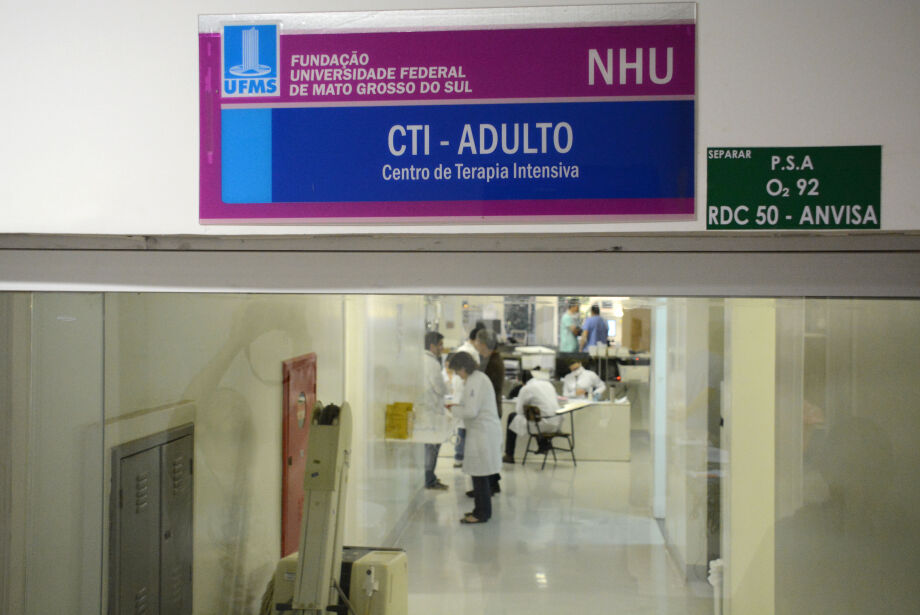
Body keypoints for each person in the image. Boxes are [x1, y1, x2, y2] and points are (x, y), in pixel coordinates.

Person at [448, 352, 502, 524]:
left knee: (480, 475)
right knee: (479, 474)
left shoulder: (475, 381)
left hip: (483, 433)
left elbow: (471, 411)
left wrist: (452, 409)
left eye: (457, 371)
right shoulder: (477, 379)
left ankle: (481, 513)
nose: (457, 375)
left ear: (463, 367)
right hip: (482, 432)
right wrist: (457, 407)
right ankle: (480, 510)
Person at [504, 370, 562, 463]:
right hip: (557, 423)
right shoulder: (548, 384)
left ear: (522, 382)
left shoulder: (526, 388)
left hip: (541, 424)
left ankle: (509, 455)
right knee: (535, 416)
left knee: (513, 417)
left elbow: (519, 410)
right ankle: (543, 444)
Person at [472, 328, 504, 495]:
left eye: (477, 342)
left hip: (488, 411)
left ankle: (487, 487)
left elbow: (483, 387)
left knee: (485, 451)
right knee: (488, 450)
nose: (475, 345)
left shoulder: (492, 363)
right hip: (490, 409)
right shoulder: (489, 359)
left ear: (483, 344)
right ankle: (492, 483)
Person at [420, 331, 449, 490]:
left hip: (425, 410)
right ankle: (429, 479)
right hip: (431, 412)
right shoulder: (432, 363)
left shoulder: (420, 360)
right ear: (432, 346)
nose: (442, 348)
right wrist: (447, 388)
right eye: (440, 345)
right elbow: (440, 388)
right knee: (432, 448)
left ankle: (428, 478)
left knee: (428, 447)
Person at [451, 325, 483, 468]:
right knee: (465, 428)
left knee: (463, 427)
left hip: (462, 394)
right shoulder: (470, 352)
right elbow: (471, 375)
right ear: (476, 340)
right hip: (466, 393)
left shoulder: (463, 350)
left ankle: (460, 456)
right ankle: (461, 456)